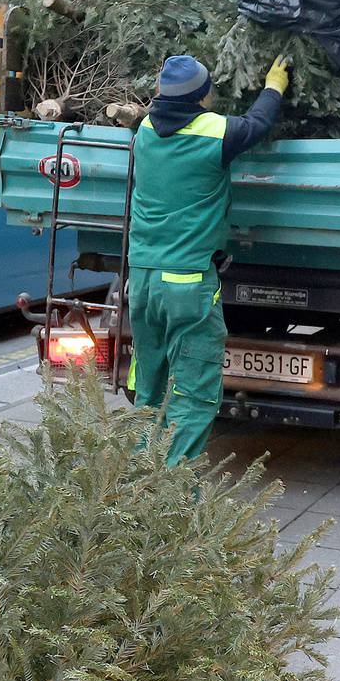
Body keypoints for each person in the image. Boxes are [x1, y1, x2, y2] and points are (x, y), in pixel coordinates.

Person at [127, 52, 287, 465]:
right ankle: (172, 497)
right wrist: (274, 85)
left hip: (142, 278)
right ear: (202, 96)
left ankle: (138, 483)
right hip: (186, 285)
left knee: (151, 387)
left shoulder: (143, 129)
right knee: (193, 393)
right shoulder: (215, 134)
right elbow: (259, 123)